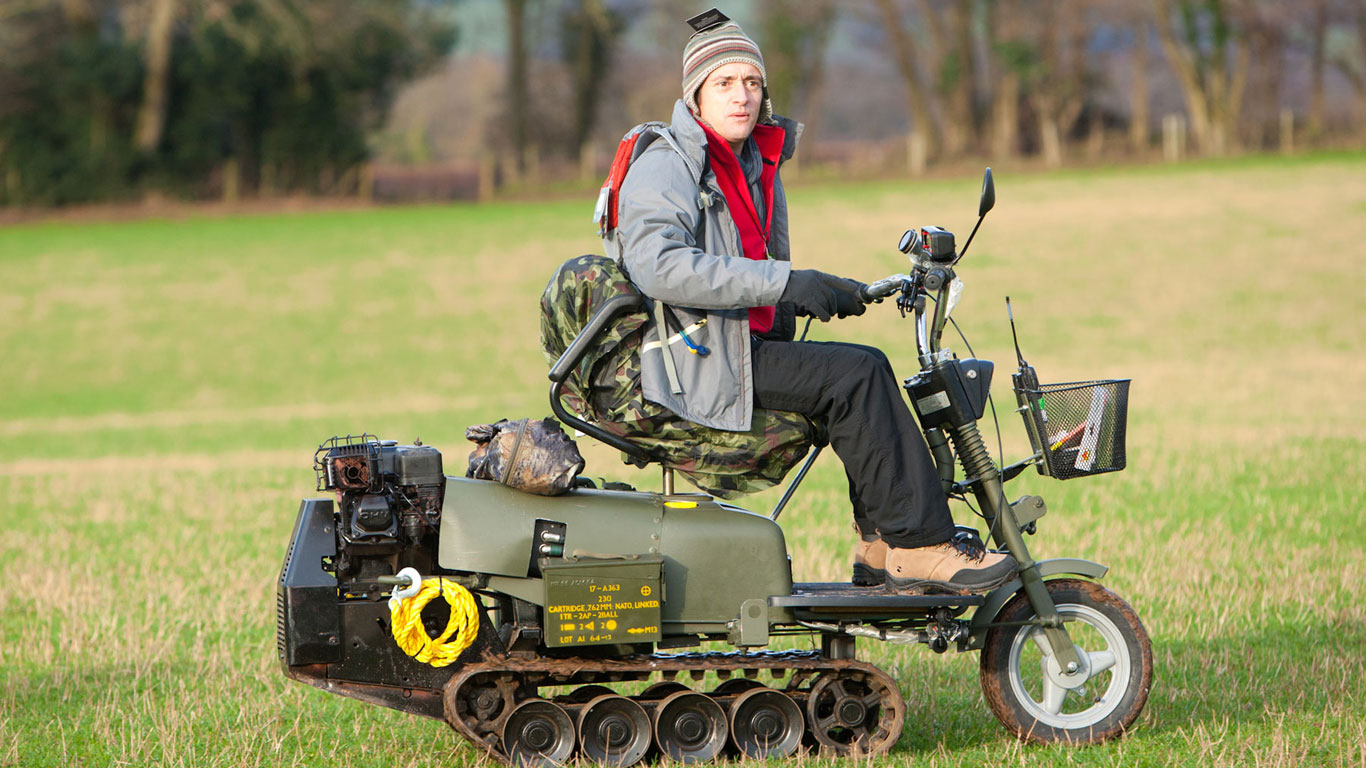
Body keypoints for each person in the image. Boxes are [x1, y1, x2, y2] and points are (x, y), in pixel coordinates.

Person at [613, 9, 1015, 595]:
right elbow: (658, 265)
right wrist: (784, 283)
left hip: (737, 347)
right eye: (724, 83)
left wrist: (831, 291)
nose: (742, 96)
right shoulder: (669, 163)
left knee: (860, 369)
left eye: (752, 83)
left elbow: (756, 269)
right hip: (694, 361)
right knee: (857, 374)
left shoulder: (750, 163)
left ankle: (880, 546)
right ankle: (919, 544)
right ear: (695, 95)